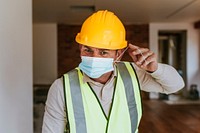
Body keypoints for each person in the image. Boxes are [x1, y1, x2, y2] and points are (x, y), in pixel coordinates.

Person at [42, 10, 184, 133]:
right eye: (88, 50)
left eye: (103, 52)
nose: (94, 57)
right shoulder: (61, 87)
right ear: (80, 47)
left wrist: (155, 68)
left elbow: (176, 86)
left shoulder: (133, 73)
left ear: (118, 54)